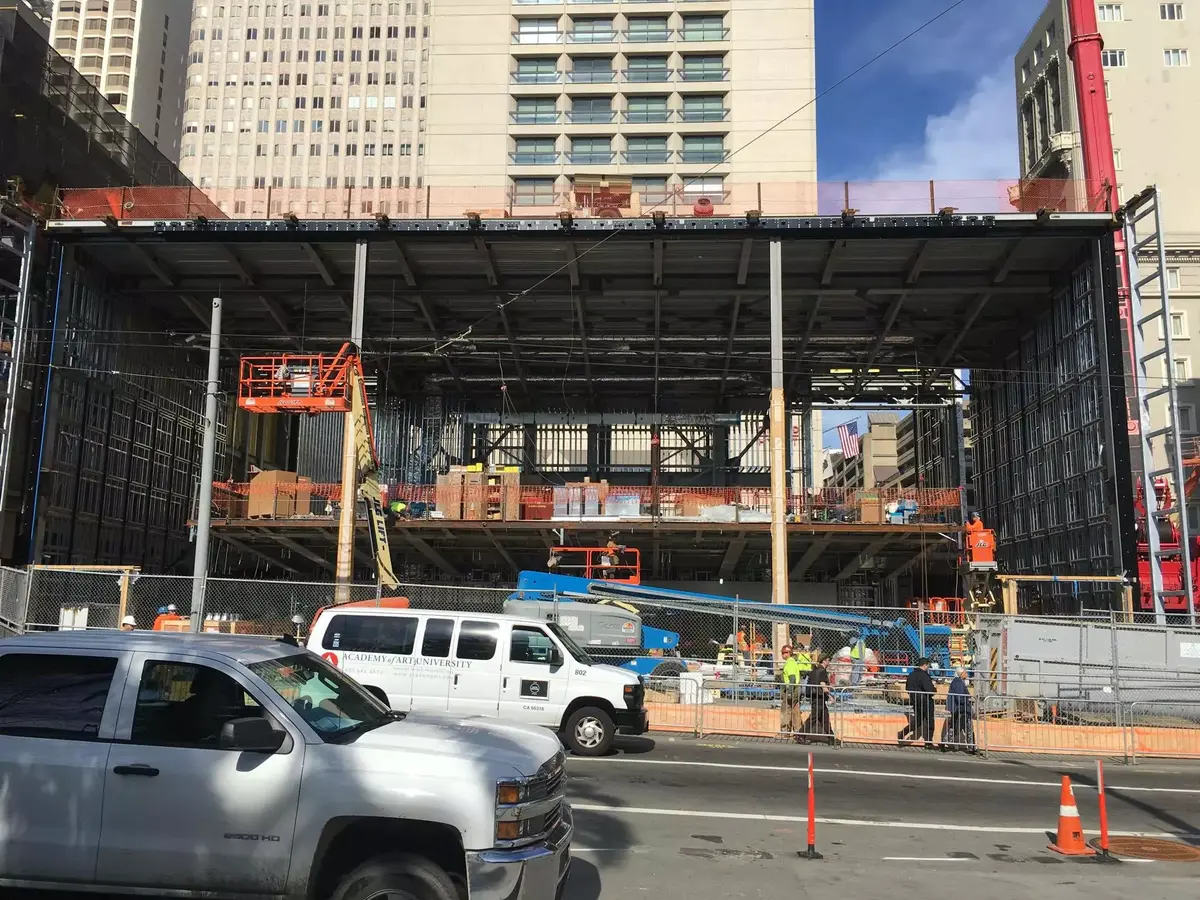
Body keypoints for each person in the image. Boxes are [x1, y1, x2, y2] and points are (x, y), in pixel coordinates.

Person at [800, 652, 833, 743]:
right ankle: (800, 735)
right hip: (819, 697)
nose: (829, 662)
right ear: (824, 661)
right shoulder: (822, 671)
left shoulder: (814, 670)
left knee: (824, 718)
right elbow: (822, 684)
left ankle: (831, 737)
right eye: (828, 660)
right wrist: (829, 695)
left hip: (816, 696)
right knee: (814, 718)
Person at [905, 657, 937, 748]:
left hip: (915, 701)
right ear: (925, 665)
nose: (928, 668)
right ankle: (928, 742)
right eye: (928, 666)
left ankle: (903, 732)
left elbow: (907, 688)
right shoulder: (924, 676)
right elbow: (929, 690)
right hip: (925, 701)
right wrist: (934, 688)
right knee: (929, 721)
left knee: (918, 721)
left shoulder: (911, 675)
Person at [944, 667, 975, 752]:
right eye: (965, 673)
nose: (967, 674)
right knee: (967, 727)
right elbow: (960, 698)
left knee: (955, 726)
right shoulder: (959, 683)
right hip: (962, 709)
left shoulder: (957, 682)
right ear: (961, 674)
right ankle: (971, 746)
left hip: (958, 709)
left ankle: (947, 741)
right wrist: (968, 700)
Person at [779, 645, 804, 734]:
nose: (782, 654)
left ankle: (785, 730)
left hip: (791, 689)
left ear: (789, 653)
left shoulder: (789, 663)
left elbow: (792, 678)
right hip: (796, 689)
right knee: (795, 710)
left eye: (784, 653)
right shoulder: (793, 662)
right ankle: (798, 731)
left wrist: (789, 692)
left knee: (786, 710)